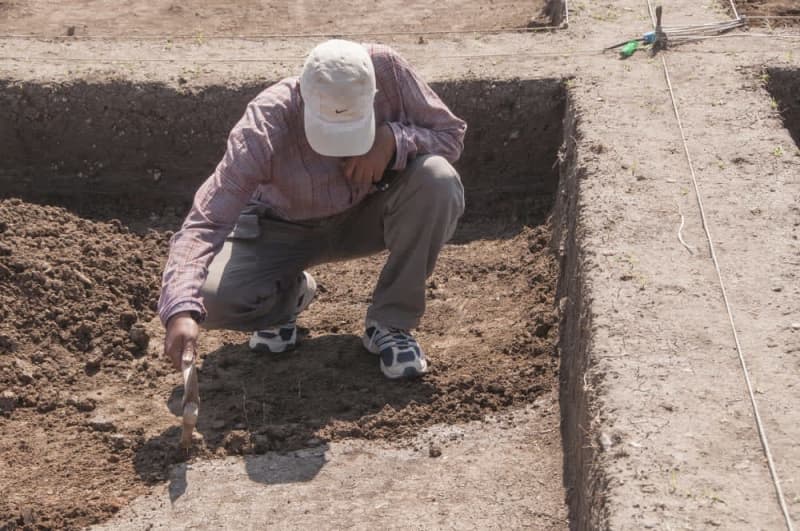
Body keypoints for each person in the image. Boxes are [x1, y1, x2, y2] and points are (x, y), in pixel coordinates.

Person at [159, 39, 466, 379]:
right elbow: (206, 221)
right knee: (211, 298)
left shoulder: (388, 72)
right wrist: (181, 311)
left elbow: (451, 136)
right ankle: (288, 295)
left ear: (373, 95)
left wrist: (393, 140)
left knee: (437, 179)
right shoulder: (265, 124)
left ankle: (391, 322)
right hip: (281, 227)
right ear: (303, 100)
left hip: (368, 211)